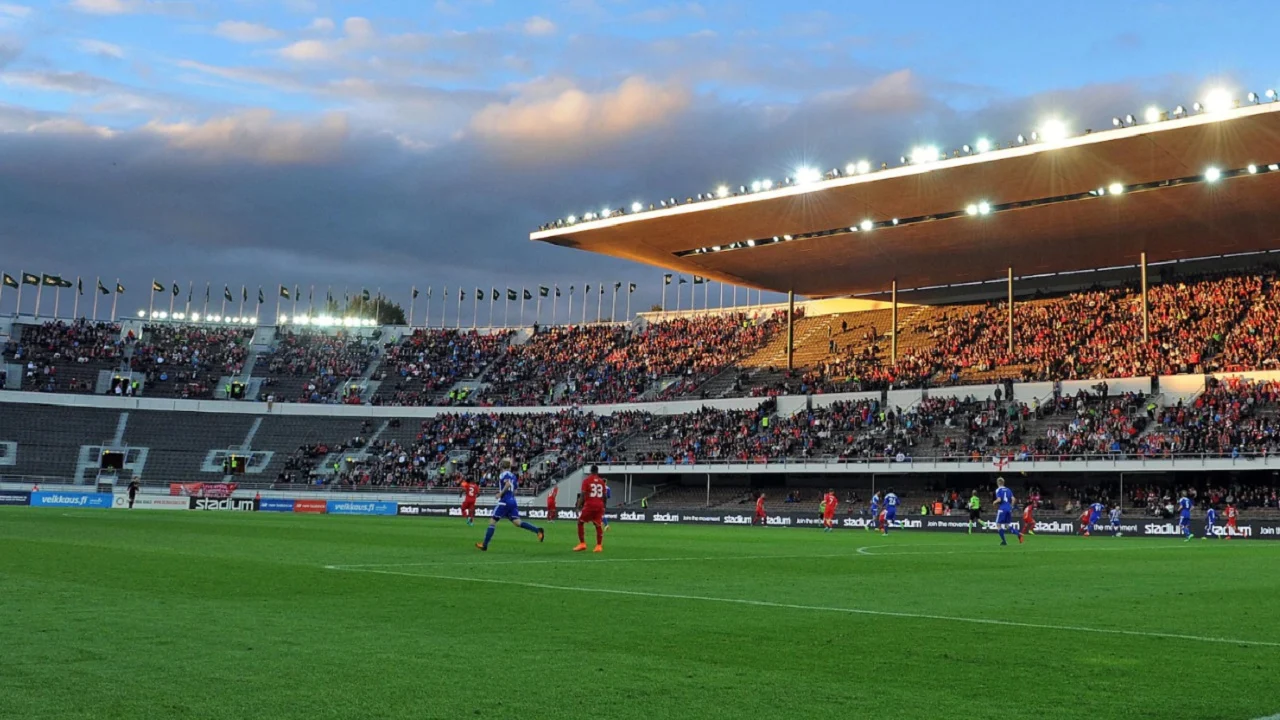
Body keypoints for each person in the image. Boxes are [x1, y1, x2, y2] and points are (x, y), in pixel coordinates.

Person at [476, 458, 545, 551]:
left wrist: (501, 493)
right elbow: (515, 488)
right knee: (517, 522)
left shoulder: (503, 475)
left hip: (504, 501)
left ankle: (484, 545)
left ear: (501, 467)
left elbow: (507, 484)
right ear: (509, 466)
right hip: (512, 501)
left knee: (492, 522)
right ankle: (538, 530)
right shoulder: (513, 476)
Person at [574, 465, 606, 553]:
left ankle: (582, 544)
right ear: (597, 472)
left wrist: (578, 506)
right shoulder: (602, 482)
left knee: (580, 522)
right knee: (598, 525)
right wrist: (604, 506)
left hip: (590, 505)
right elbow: (604, 496)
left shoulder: (587, 481)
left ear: (590, 471)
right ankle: (599, 546)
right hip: (599, 505)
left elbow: (583, 495)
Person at [993, 478, 1023, 545]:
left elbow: (999, 499)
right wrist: (1011, 507)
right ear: (1003, 483)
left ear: (998, 483)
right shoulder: (1008, 490)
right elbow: (1013, 499)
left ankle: (1004, 541)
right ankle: (1018, 534)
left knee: (998, 525)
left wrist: (994, 502)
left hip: (1002, 509)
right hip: (1008, 509)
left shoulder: (998, 490)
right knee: (1007, 525)